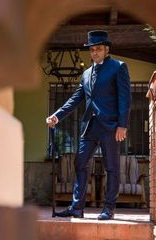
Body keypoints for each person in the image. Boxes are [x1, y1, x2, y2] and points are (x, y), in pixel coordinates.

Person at [46, 30, 131, 220]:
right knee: (80, 162)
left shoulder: (118, 67)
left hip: (110, 125)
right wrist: (57, 116)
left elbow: (125, 98)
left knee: (111, 167)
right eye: (92, 49)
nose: (95, 53)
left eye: (98, 49)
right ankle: (77, 208)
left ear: (106, 49)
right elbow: (76, 99)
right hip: (90, 126)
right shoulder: (85, 74)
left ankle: (108, 208)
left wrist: (122, 125)